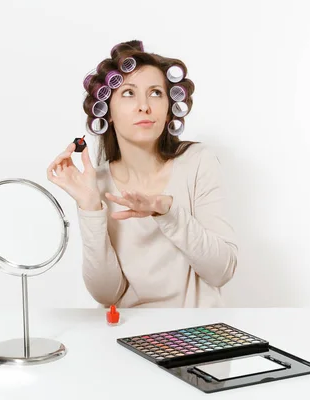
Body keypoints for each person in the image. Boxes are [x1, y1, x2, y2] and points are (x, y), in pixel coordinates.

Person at [47, 40, 237, 308]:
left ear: (170, 107)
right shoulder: (98, 182)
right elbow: (107, 295)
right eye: (128, 93)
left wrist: (167, 212)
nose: (144, 106)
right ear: (107, 111)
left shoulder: (197, 162)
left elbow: (222, 271)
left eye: (156, 93)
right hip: (130, 333)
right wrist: (90, 207)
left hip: (197, 333)